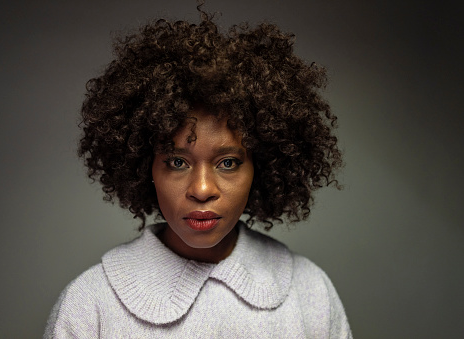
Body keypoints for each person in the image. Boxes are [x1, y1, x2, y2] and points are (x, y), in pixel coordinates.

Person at [44, 5, 352, 338]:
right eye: (177, 162)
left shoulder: (311, 294)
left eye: (228, 163)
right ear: (144, 167)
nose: (202, 189)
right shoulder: (90, 303)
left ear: (261, 169)